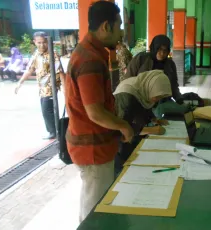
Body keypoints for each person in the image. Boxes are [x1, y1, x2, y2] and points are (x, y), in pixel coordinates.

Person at [65, 1, 134, 222]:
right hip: (92, 148)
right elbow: (94, 112)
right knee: (93, 210)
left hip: (93, 144)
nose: (121, 32)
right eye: (119, 25)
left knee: (95, 201)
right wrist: (123, 125)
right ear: (106, 26)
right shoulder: (89, 60)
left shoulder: (90, 52)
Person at [113, 70, 172, 175]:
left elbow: (144, 107)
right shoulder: (127, 96)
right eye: (157, 96)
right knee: (124, 173)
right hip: (119, 143)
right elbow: (121, 127)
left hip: (131, 137)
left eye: (160, 97)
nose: (157, 100)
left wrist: (154, 119)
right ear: (151, 87)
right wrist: (150, 130)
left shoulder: (143, 88)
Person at [15, 32, 65, 140]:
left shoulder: (53, 54)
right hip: (42, 88)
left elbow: (60, 72)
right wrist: (20, 83)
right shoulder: (36, 54)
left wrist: (66, 88)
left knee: (47, 110)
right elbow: (30, 70)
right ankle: (54, 131)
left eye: (44, 42)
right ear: (34, 42)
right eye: (39, 43)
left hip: (51, 87)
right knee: (46, 110)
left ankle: (54, 132)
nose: (42, 45)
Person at [124, 35, 188, 118]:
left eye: (165, 50)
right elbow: (128, 80)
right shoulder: (141, 59)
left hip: (163, 101)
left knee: (184, 110)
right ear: (154, 48)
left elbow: (173, 85)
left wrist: (179, 98)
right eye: (159, 49)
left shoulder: (170, 64)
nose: (162, 53)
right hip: (142, 101)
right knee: (155, 117)